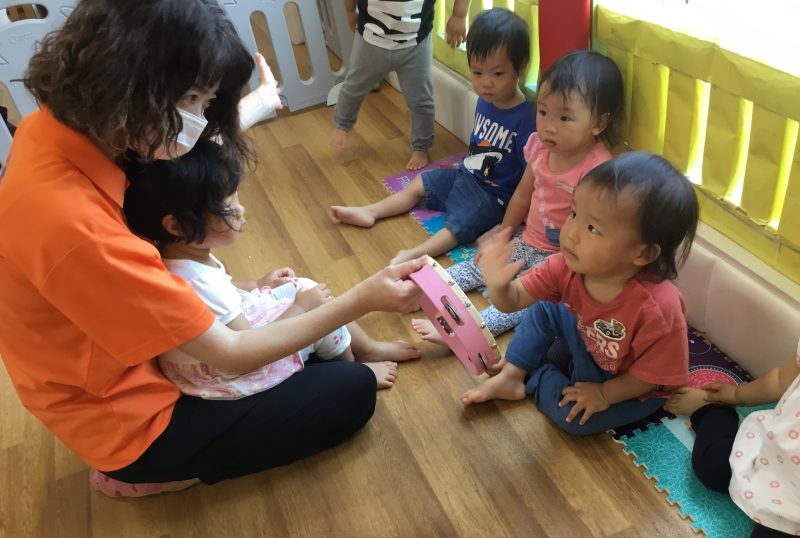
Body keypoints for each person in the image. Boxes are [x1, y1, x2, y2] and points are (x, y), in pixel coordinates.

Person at [0, 0, 424, 499]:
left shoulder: (59, 127)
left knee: (306, 334)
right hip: (135, 421)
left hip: (141, 360)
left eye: (205, 102)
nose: (197, 120)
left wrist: (260, 103)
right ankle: (152, 473)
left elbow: (178, 158)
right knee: (350, 392)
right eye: (192, 99)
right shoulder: (79, 229)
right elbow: (232, 353)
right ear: (129, 84)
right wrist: (362, 298)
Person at [124, 138, 421, 395]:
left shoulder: (177, 256)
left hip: (216, 348)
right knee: (317, 309)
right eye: (228, 208)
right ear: (176, 226)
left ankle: (367, 348)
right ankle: (353, 368)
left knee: (303, 287)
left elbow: (224, 287)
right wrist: (302, 308)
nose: (241, 211)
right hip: (227, 374)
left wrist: (256, 284)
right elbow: (249, 346)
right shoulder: (199, 284)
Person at [462, 152, 699, 436]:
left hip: (631, 384)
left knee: (574, 420)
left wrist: (604, 394)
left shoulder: (660, 308)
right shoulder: (565, 266)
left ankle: (536, 375)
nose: (571, 233)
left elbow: (650, 376)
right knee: (544, 307)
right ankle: (513, 374)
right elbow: (513, 301)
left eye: (592, 228)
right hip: (590, 344)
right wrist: (499, 285)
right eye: (574, 214)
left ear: (643, 253)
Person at [412, 50, 624, 344]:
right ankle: (421, 291)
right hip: (528, 239)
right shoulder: (538, 147)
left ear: (598, 123)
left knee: (523, 304)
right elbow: (523, 194)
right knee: (480, 265)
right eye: (543, 112)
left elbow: (595, 230)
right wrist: (505, 232)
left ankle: (462, 331)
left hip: (561, 260)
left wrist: (566, 266)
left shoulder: (597, 169)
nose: (549, 126)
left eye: (564, 117)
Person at [331, 8, 537, 265]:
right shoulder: (485, 100)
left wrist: (507, 227)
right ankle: (370, 211)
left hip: (492, 197)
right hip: (465, 175)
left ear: (521, 67)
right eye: (477, 73)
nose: (486, 83)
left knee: (460, 224)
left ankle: (415, 253)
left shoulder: (527, 119)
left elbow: (529, 180)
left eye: (497, 74)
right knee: (420, 182)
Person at [666, 357, 800, 538]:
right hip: (772, 456)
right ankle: (713, 412)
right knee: (712, 466)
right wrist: (737, 395)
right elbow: (780, 380)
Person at [330, 0, 469, 170]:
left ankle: (421, 146)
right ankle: (342, 124)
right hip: (370, 42)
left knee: (421, 100)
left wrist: (459, 15)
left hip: (415, 44)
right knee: (353, 87)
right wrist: (350, 11)